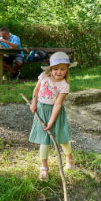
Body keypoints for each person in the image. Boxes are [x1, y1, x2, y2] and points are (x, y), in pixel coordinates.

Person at [27, 52, 75, 180]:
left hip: (55, 113)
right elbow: (36, 90)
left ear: (67, 70)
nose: (59, 72)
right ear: (50, 69)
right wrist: (33, 104)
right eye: (55, 69)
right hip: (42, 111)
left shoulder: (64, 85)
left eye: (63, 69)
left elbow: (58, 104)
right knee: (44, 140)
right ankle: (44, 168)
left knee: (62, 138)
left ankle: (70, 160)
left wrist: (51, 122)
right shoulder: (44, 77)